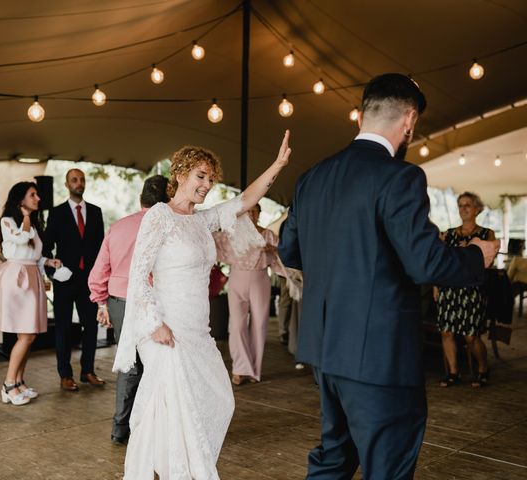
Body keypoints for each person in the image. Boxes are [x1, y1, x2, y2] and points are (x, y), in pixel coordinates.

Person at [278, 73, 499, 479]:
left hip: (324, 350)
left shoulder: (312, 178)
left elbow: (289, 250)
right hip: (377, 356)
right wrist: (474, 256)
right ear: (409, 120)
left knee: (333, 459)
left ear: (361, 117)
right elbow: (425, 263)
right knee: (389, 467)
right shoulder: (400, 177)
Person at [113, 132, 291, 479]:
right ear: (179, 174)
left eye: (211, 178)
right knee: (169, 412)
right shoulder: (159, 217)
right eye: (200, 176)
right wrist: (154, 324)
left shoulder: (202, 220)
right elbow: (139, 274)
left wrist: (279, 165)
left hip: (197, 331)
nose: (207, 184)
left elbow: (243, 200)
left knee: (220, 399)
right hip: (166, 330)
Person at [88, 175, 169, 445]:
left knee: (129, 366)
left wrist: (101, 302)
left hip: (120, 302)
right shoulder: (168, 227)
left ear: (140, 199)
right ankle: (154, 428)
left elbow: (99, 271)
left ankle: (120, 428)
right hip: (158, 303)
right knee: (160, 365)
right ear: (167, 200)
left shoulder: (119, 227)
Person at [0, 182, 61, 405]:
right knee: (26, 335)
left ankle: (19, 381)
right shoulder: (8, 222)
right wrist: (24, 218)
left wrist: (47, 261)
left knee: (28, 335)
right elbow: (20, 239)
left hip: (31, 277)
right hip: (17, 280)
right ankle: (8, 385)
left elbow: (32, 254)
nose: (38, 198)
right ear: (20, 200)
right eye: (33, 195)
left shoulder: (31, 223)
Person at [43, 168, 105, 391]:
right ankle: (65, 375)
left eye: (81, 180)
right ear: (67, 185)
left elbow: (101, 250)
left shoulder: (96, 213)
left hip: (89, 281)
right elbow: (46, 248)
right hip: (64, 280)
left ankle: (87, 371)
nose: (79, 183)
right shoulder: (57, 213)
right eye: (74, 180)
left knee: (90, 326)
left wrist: (101, 279)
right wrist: (52, 271)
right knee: (63, 328)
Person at [213, 203, 284, 384]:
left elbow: (283, 255)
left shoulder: (268, 235)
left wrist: (273, 250)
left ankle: (254, 370)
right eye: (248, 211)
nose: (251, 214)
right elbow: (211, 241)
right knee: (237, 325)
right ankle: (240, 368)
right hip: (237, 278)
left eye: (255, 211)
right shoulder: (232, 234)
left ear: (259, 214)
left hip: (260, 279)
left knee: (259, 324)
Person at [435, 192, 496, 388]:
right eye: (460, 205)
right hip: (449, 288)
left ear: (477, 209)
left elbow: (487, 262)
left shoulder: (487, 234)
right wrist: (436, 286)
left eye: (467, 205)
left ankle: (483, 368)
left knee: (471, 336)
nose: (463, 209)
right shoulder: (448, 234)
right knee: (446, 332)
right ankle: (453, 373)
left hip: (472, 290)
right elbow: (439, 262)